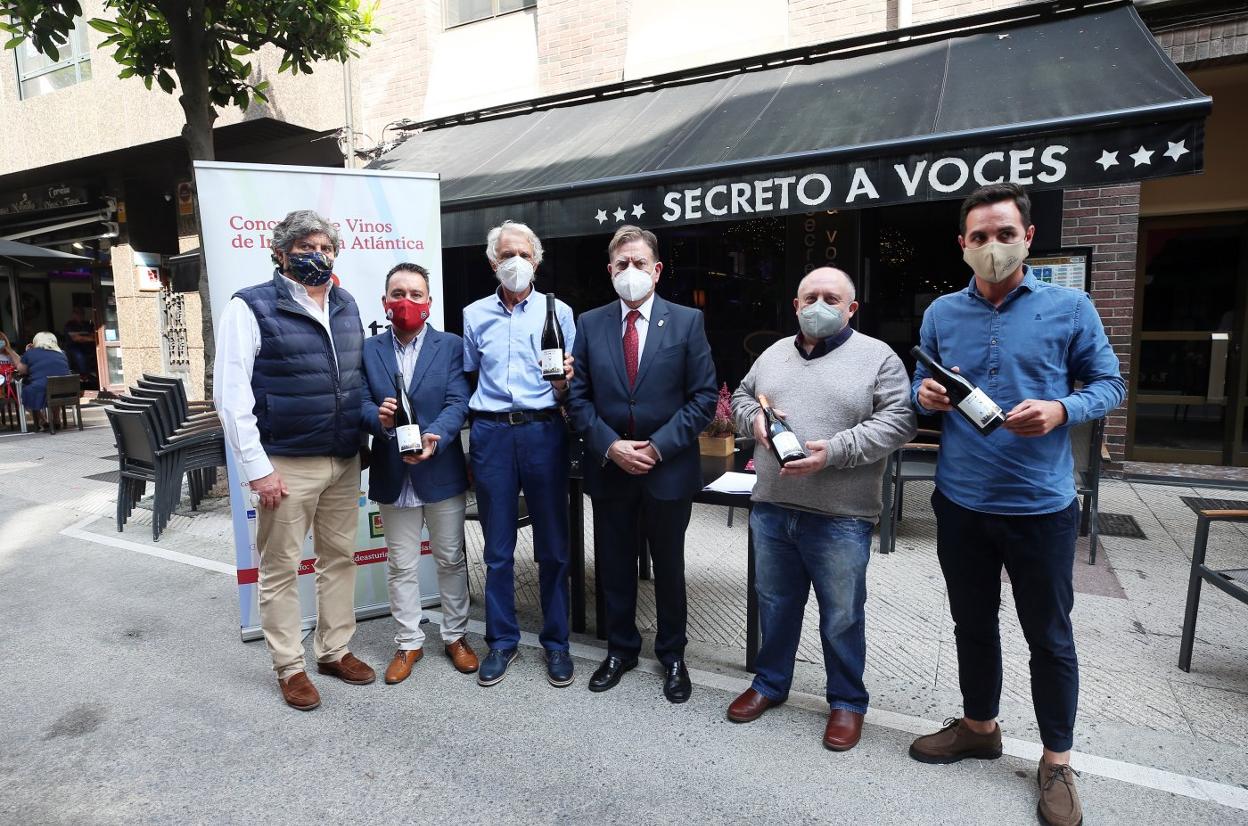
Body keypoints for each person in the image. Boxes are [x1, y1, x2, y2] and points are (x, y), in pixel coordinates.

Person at [909, 184, 1125, 826]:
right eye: (979, 237)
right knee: (972, 624)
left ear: (1029, 237)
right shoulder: (942, 313)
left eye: (1005, 233)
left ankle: (1057, 761)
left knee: (1049, 637)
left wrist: (1064, 408)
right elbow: (925, 384)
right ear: (963, 245)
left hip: (1041, 505)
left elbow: (1110, 382)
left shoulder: (1071, 306)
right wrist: (928, 397)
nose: (993, 246)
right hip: (961, 500)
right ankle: (980, 725)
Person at [726, 267, 915, 749]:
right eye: (810, 296)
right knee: (776, 605)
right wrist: (757, 423)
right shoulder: (772, 354)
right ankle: (770, 683)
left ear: (852, 308)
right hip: (772, 507)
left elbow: (899, 421)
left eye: (832, 297)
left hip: (842, 515)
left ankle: (847, 702)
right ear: (795, 304)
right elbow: (745, 397)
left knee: (842, 615)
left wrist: (834, 450)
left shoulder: (878, 357)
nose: (819, 304)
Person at [214, 209, 375, 711]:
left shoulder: (346, 303)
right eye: (306, 248)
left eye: (326, 248)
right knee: (281, 568)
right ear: (280, 253)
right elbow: (231, 396)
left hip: (343, 458)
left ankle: (333, 650)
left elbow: (354, 378)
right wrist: (258, 469)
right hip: (286, 462)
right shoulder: (251, 307)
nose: (318, 256)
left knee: (338, 559)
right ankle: (289, 666)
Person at [566, 224, 716, 703]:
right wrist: (610, 446)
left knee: (669, 567)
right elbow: (579, 398)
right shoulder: (589, 325)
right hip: (611, 467)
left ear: (657, 270)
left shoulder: (687, 321)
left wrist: (656, 447)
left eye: (639, 263)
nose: (630, 272)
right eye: (621, 264)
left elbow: (704, 397)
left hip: (665, 468)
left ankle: (672, 654)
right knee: (613, 564)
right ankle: (621, 649)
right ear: (610, 271)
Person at [462, 220, 576, 688]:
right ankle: (502, 642)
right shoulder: (473, 315)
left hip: (544, 432)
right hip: (491, 433)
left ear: (537, 260)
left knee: (553, 546)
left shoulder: (560, 312)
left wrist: (564, 382)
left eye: (524, 254)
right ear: (493, 261)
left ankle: (557, 644)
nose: (516, 262)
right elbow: (470, 376)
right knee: (498, 548)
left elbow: (571, 386)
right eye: (507, 254)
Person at [361, 263, 478, 684]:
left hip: (440, 468)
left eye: (415, 294)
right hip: (393, 472)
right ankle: (408, 642)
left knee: (450, 558)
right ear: (385, 302)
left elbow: (458, 401)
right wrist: (378, 419)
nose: (405, 302)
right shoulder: (370, 348)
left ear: (428, 303)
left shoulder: (450, 346)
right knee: (401, 564)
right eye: (397, 294)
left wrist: (436, 436)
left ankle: (455, 636)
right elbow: (358, 401)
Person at [2, 331, 70, 431]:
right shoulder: (62, 353)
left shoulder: (31, 353)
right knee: (54, 388)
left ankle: (42, 420)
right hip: (65, 391)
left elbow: (21, 370)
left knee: (26, 393)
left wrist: (27, 353)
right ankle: (56, 419)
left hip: (43, 390)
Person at [63, 306, 97, 380]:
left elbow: (95, 334)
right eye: (76, 313)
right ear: (73, 314)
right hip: (74, 347)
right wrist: (90, 338)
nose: (79, 315)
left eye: (81, 313)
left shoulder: (88, 324)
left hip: (88, 346)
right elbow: (76, 338)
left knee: (99, 350)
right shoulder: (69, 324)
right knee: (79, 355)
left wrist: (89, 338)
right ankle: (84, 375)